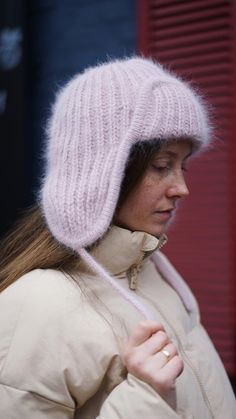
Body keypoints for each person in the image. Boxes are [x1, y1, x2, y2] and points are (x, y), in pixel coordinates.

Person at [0, 56, 235, 419]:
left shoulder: (152, 270)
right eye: (162, 165)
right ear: (101, 171)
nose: (182, 188)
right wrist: (145, 396)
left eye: (182, 165)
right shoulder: (35, 306)